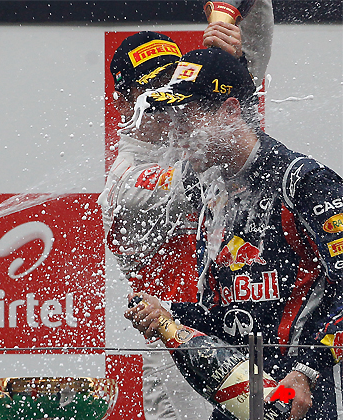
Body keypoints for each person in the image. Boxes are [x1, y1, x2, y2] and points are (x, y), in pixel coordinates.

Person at [125, 47, 343, 420]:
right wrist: (170, 313)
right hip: (236, 401)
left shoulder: (303, 182)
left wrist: (307, 369)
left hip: (306, 398)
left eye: (187, 117)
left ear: (229, 111)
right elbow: (223, 318)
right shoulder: (211, 193)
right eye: (173, 119)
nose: (177, 134)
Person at [99, 2, 273, 418]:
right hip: (178, 351)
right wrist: (228, 68)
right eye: (151, 93)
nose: (166, 103)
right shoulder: (124, 178)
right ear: (124, 103)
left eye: (171, 88)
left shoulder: (202, 132)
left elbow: (248, 75)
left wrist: (235, 43)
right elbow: (198, 179)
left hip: (246, 324)